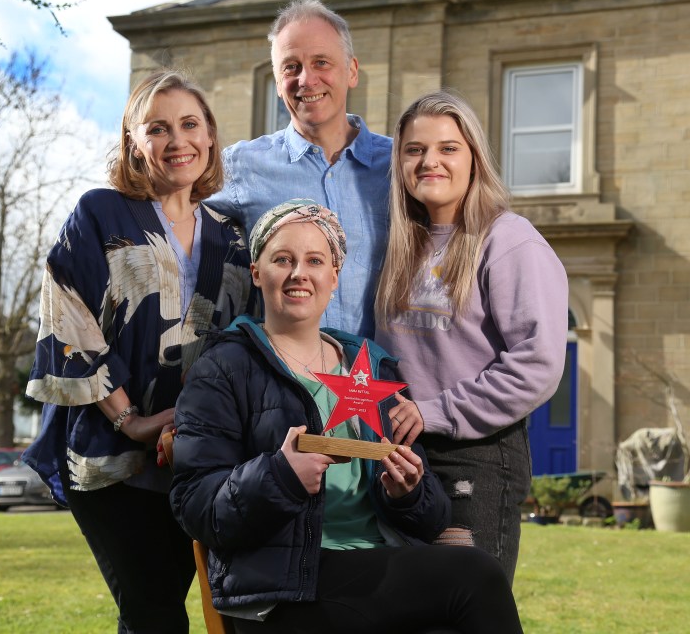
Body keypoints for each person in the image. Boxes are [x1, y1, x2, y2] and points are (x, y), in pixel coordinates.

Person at [170, 199, 523, 634]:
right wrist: (278, 476)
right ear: (258, 272)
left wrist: (408, 493)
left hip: (377, 565)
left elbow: (431, 517)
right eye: (283, 259)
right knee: (475, 573)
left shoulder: (373, 368)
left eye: (315, 260)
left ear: (333, 277)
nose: (299, 272)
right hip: (281, 591)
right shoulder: (222, 368)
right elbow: (195, 507)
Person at [22, 70, 256, 634]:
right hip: (113, 455)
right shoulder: (102, 212)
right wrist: (132, 420)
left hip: (199, 457)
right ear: (133, 142)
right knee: (152, 610)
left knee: (174, 607)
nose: (178, 141)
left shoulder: (233, 233)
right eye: (158, 128)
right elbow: (69, 318)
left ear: (210, 136)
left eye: (189, 124)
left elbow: (245, 335)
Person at [374, 90, 569, 585]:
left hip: (477, 457)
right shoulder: (398, 243)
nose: (429, 161)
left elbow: (538, 363)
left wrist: (435, 411)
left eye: (448, 148)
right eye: (415, 149)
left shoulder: (509, 240)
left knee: (466, 608)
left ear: (474, 158)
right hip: (401, 452)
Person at [204, 0, 390, 339]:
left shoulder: (398, 166)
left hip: (378, 380)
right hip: (281, 384)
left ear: (351, 71)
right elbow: (173, 220)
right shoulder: (242, 165)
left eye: (321, 62)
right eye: (291, 67)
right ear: (277, 83)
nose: (306, 79)